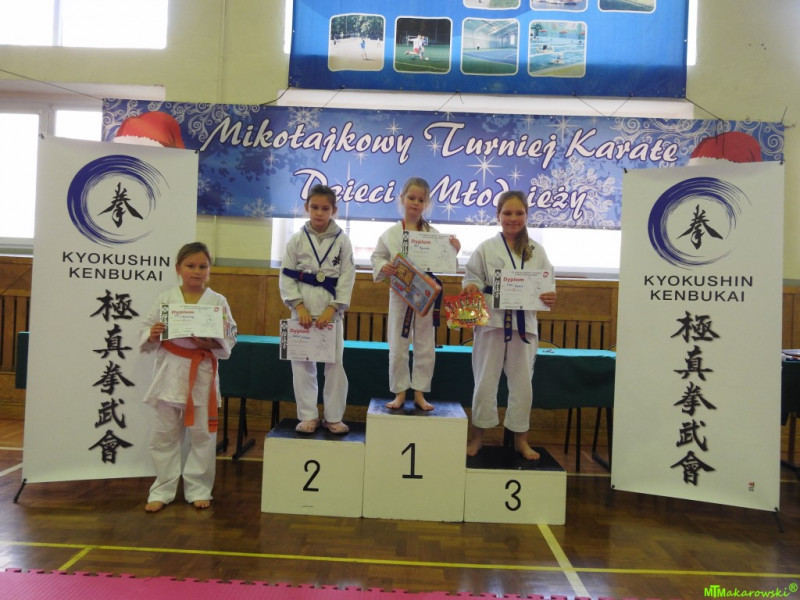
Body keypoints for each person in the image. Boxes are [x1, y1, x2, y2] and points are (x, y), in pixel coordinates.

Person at [140, 242, 237, 512]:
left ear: (209, 270)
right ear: (178, 269)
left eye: (202, 266)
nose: (196, 271)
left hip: (202, 371)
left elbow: (231, 335)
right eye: (190, 266)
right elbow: (145, 329)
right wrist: (153, 333)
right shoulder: (166, 299)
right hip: (169, 371)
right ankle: (162, 489)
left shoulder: (217, 301)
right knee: (164, 434)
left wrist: (211, 342)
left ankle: (199, 488)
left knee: (203, 434)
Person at [461, 191, 556, 460]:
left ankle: (521, 440)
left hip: (523, 324)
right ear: (498, 216)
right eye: (507, 213)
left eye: (519, 213)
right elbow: (472, 276)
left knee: (522, 383)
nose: (513, 218)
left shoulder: (536, 250)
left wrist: (550, 295)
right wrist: (471, 286)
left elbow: (548, 283)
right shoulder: (486, 248)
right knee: (484, 381)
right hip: (490, 321)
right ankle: (478, 437)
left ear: (527, 215)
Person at [371, 177, 460, 412]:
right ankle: (399, 392)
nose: (415, 203)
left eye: (421, 200)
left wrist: (454, 250)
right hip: (399, 293)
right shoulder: (390, 233)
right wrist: (383, 267)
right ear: (402, 199)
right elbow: (377, 257)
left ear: (427, 204)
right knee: (397, 343)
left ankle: (419, 392)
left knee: (425, 343)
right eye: (411, 198)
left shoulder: (433, 233)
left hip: (425, 293)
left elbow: (446, 263)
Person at [280, 184, 356, 434]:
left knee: (335, 365)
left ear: (334, 210)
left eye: (325, 208)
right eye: (314, 207)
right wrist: (298, 306)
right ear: (306, 208)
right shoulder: (296, 239)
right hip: (301, 312)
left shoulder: (342, 240)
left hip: (330, 313)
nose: (319, 213)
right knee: (302, 365)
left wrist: (333, 308)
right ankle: (308, 415)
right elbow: (286, 274)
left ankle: (333, 417)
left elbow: (347, 276)